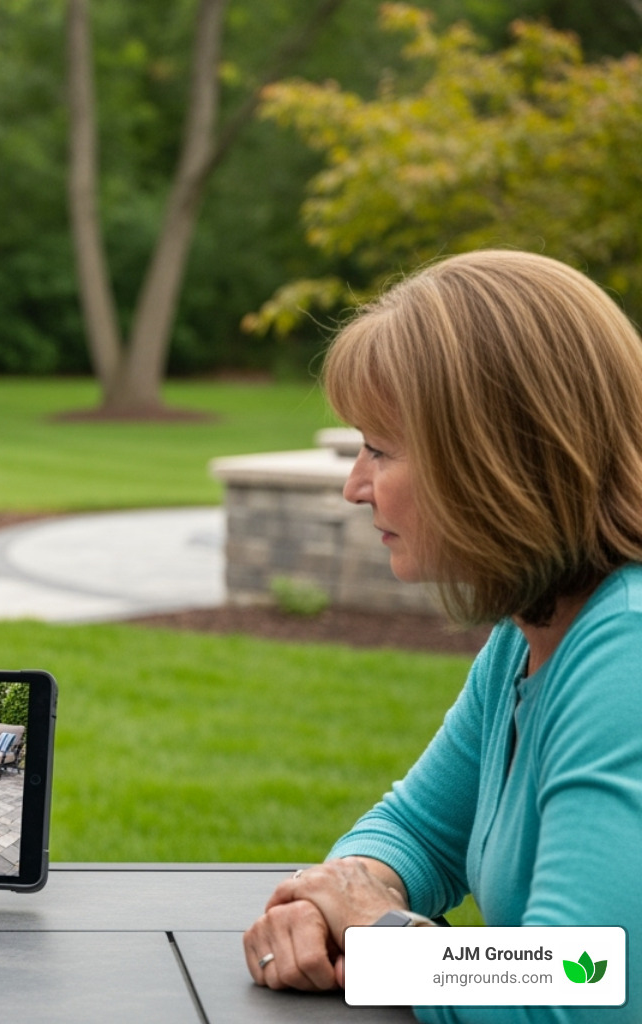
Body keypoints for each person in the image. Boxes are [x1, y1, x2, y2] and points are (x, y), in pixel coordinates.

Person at [242, 250, 642, 1020]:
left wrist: (379, 932)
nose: (355, 486)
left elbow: (579, 989)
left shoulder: (626, 653)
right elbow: (419, 832)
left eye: (379, 450)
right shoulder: (533, 632)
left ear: (493, 457)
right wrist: (332, 894)